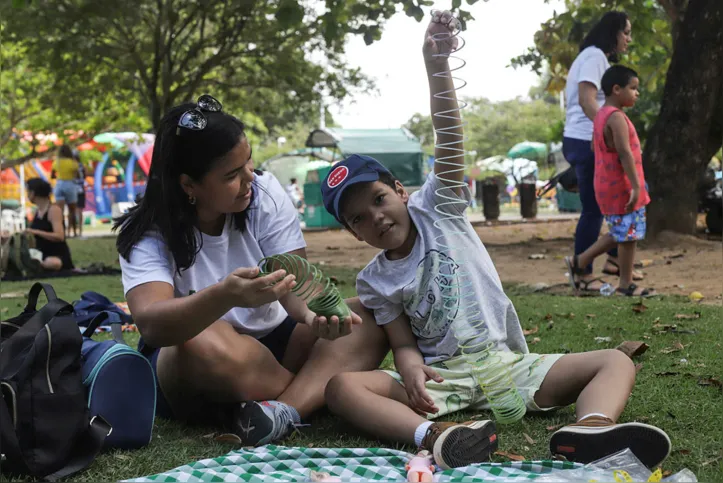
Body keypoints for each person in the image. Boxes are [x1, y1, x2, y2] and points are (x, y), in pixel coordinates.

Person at [321, 11, 671, 471]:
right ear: (352, 232)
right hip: (443, 378)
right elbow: (401, 340)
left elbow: (448, 136)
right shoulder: (375, 281)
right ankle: (438, 437)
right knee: (341, 388)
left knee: (614, 362)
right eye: (359, 218)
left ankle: (591, 431)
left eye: (380, 199)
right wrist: (407, 366)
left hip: (508, 366)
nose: (377, 217)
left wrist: (436, 65)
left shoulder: (438, 207)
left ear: (401, 191)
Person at [113, 94, 387, 447]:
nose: (249, 180)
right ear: (188, 185)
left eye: (249, 165)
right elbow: (152, 323)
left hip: (276, 343)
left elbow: (298, 282)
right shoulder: (147, 231)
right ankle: (312, 391)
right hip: (195, 361)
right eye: (231, 174)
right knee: (201, 342)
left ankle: (280, 411)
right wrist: (224, 296)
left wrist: (314, 316)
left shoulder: (264, 192)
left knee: (368, 315)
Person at [562, 11, 644, 292]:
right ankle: (581, 272)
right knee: (595, 210)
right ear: (613, 33)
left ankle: (613, 261)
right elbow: (587, 101)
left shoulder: (593, 57)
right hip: (585, 139)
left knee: (618, 202)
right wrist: (609, 130)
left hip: (585, 138)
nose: (629, 40)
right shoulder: (594, 56)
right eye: (626, 33)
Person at [24, 178, 74, 271]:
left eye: (28, 192)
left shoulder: (54, 210)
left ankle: (37, 265)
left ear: (33, 193)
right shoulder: (37, 211)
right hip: (40, 253)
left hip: (56, 254)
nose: (27, 195)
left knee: (53, 263)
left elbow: (59, 236)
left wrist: (36, 232)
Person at [52, 144, 80, 238]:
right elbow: (78, 176)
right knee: (72, 210)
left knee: (60, 211)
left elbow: (52, 175)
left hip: (59, 185)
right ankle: (74, 232)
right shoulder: (72, 162)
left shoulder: (57, 162)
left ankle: (62, 232)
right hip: (70, 185)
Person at [73, 152, 87, 238]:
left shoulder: (72, 166)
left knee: (73, 211)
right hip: (81, 190)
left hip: (73, 190)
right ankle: (80, 231)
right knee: (79, 211)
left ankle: (75, 232)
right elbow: (84, 177)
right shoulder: (82, 166)